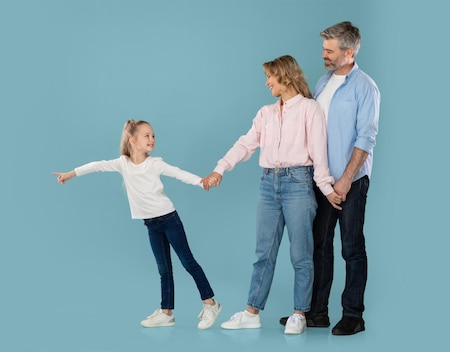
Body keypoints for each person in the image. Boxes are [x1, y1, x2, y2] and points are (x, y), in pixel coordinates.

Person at [202, 55, 342, 335]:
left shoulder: (309, 109)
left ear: (285, 76)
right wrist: (220, 169)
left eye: (270, 77)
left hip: (299, 183)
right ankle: (252, 311)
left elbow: (318, 153)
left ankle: (299, 313)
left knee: (301, 253)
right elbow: (245, 144)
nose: (266, 82)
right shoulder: (265, 113)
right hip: (268, 183)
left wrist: (326, 188)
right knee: (263, 253)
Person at [52, 119, 221, 330]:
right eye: (146, 136)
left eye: (153, 136)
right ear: (132, 140)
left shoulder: (155, 163)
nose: (152, 139)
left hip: (169, 219)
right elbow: (97, 165)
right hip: (151, 224)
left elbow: (178, 173)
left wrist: (201, 181)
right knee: (163, 269)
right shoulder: (122, 163)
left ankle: (210, 304)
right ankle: (166, 312)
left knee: (187, 262)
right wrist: (70, 174)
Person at [279, 21, 380, 336]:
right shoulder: (323, 83)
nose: (323, 54)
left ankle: (353, 315)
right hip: (319, 181)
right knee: (318, 246)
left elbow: (366, 138)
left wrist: (346, 180)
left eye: (329, 50)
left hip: (351, 181)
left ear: (348, 53)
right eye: (323, 49)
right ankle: (317, 313)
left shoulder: (365, 87)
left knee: (351, 247)